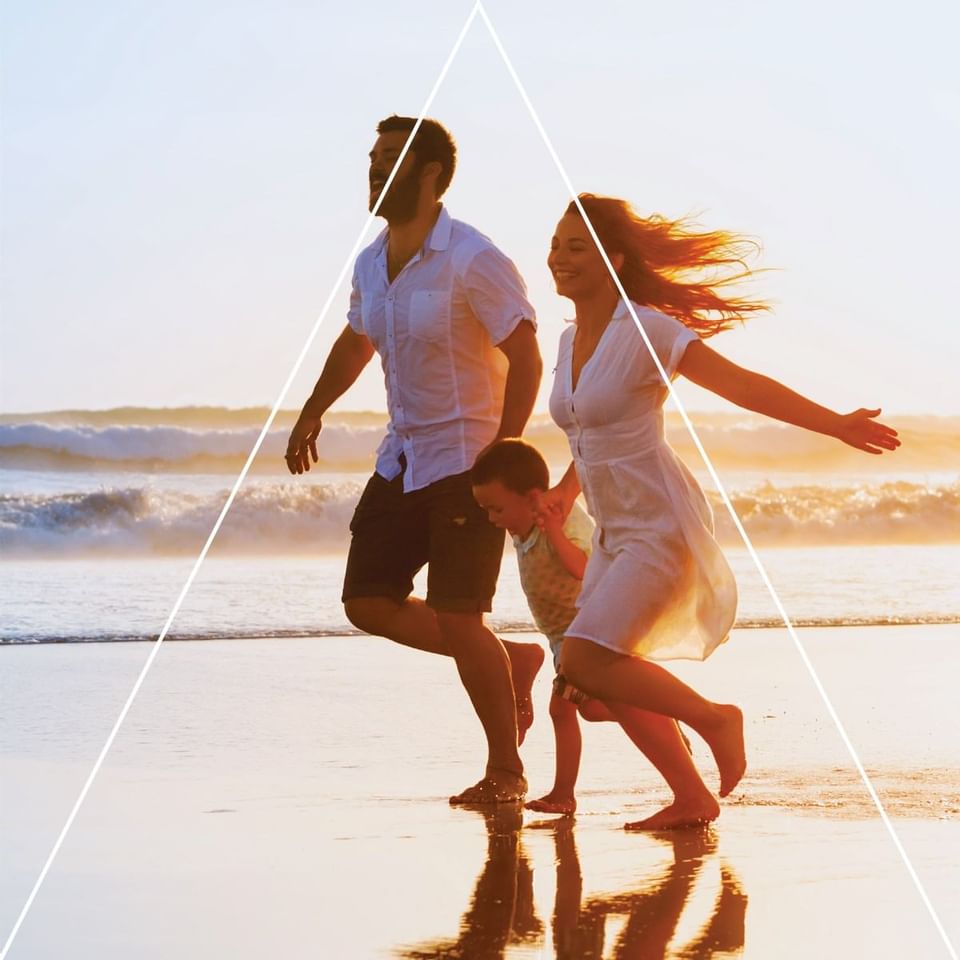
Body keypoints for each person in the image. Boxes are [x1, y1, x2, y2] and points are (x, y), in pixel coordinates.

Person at [543, 194, 900, 830]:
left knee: (584, 661)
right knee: (597, 682)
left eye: (577, 247)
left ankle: (715, 719)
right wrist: (568, 489)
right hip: (613, 532)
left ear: (613, 258)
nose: (559, 258)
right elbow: (586, 430)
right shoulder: (571, 337)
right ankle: (692, 797)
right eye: (556, 245)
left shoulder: (647, 331)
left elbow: (740, 385)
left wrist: (834, 424)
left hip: (658, 527)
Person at [284, 116, 544, 804]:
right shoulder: (372, 260)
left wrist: (507, 448)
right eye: (371, 159)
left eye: (389, 161)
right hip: (404, 457)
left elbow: (525, 353)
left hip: (468, 462)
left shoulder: (471, 257)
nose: (373, 171)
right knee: (367, 600)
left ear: (430, 174)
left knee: (461, 618)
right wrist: (313, 407)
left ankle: (506, 773)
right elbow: (357, 339)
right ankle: (511, 660)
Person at [472, 438, 693, 815]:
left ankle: (566, 792)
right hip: (562, 639)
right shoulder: (521, 525)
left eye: (497, 509)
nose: (493, 518)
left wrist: (555, 531)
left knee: (566, 711)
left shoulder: (562, 520)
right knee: (589, 710)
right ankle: (660, 719)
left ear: (533, 498)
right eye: (486, 510)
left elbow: (584, 569)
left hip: (589, 634)